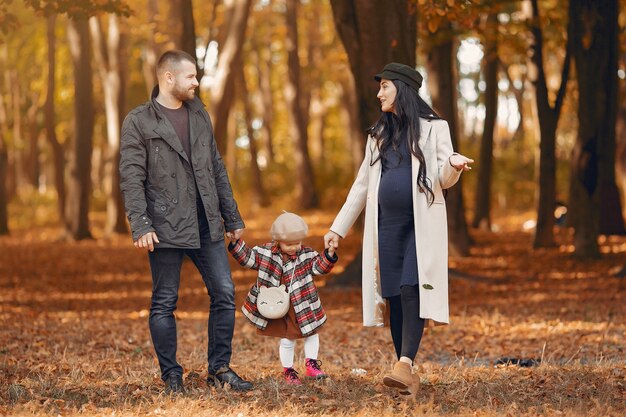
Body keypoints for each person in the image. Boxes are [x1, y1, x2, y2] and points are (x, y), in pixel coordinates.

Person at [323, 63, 473, 395]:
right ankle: (404, 372)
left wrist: (453, 165)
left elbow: (443, 178)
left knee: (410, 288)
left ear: (401, 89)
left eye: (385, 87)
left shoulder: (435, 129)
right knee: (392, 295)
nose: (379, 94)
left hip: (419, 226)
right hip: (385, 226)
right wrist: (338, 228)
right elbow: (361, 185)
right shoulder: (378, 135)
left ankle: (405, 364)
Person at [119, 50, 252, 393]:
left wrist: (231, 216)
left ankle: (219, 369)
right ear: (168, 78)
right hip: (163, 227)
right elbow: (131, 177)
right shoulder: (139, 121)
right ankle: (172, 376)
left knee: (224, 293)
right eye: (191, 76)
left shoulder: (199, 114)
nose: (196, 82)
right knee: (165, 301)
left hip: (207, 222)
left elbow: (216, 167)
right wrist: (141, 224)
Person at [228, 212, 338, 385]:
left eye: (297, 243)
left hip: (303, 303)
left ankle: (311, 364)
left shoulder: (307, 254)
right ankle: (289, 371)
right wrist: (235, 242)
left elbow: (319, 268)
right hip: (277, 304)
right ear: (277, 240)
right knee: (287, 338)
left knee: (312, 333)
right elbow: (247, 258)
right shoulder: (265, 253)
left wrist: (329, 254)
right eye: (289, 244)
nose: (294, 247)